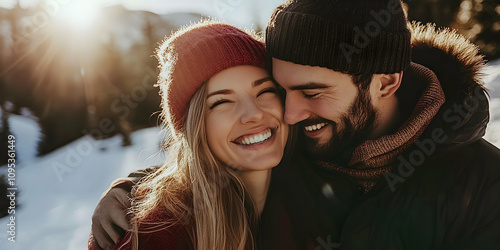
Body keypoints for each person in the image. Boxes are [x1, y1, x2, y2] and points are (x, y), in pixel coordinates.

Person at [92, 0, 500, 249]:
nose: (288, 114)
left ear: (386, 81)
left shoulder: (484, 188)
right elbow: (212, 167)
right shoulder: (298, 142)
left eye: (313, 91)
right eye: (281, 90)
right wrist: (133, 191)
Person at [88, 20, 289, 250]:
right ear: (194, 129)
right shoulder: (160, 231)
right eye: (221, 102)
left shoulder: (311, 183)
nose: (253, 114)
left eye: (264, 91)